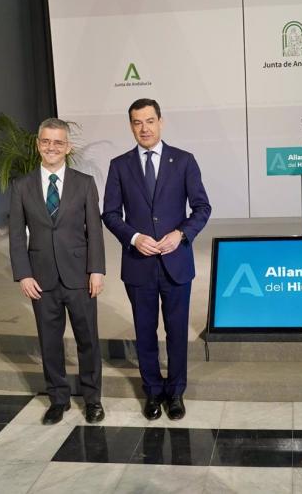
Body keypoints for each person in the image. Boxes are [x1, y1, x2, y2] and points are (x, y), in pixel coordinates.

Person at [102, 98, 211, 421]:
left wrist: (181, 234)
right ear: (131, 126)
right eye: (137, 122)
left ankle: (175, 392)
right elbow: (110, 213)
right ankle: (152, 390)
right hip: (138, 265)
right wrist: (134, 237)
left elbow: (202, 208)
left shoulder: (184, 161)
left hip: (176, 263)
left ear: (160, 122)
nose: (144, 128)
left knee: (177, 332)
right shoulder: (119, 165)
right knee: (145, 332)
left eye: (149, 121)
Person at [9, 118, 106, 425]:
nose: (51, 147)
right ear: (38, 144)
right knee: (49, 342)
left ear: (68, 147)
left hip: (80, 276)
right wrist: (24, 274)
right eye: (46, 141)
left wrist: (96, 270)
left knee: (88, 340)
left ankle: (93, 400)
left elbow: (95, 231)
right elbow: (16, 234)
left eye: (58, 142)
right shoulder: (21, 186)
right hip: (41, 278)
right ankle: (58, 399)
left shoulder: (84, 183)